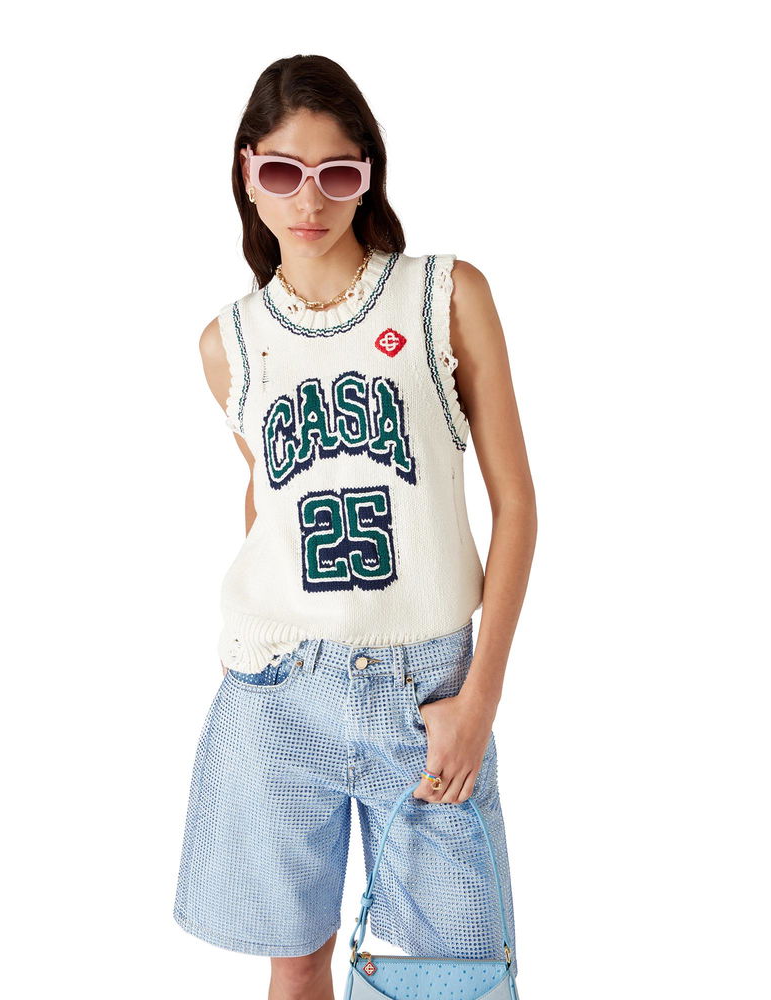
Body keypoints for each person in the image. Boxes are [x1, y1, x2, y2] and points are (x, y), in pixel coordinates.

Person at [173, 54, 537, 1000]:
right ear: (248, 171)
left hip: (429, 690)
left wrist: (480, 700)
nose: (309, 200)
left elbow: (517, 503)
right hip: (278, 692)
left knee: (451, 976)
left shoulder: (443, 297)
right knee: (296, 963)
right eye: (282, 171)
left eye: (337, 172)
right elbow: (268, 498)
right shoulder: (230, 343)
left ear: (369, 174)